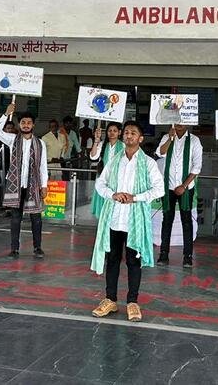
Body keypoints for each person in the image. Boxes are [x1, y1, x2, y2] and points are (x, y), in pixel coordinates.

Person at [91, 121, 165, 323]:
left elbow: (159, 189)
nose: (128, 135)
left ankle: (132, 302)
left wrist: (136, 198)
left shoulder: (148, 163)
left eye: (133, 133)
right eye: (126, 133)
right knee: (112, 259)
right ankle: (110, 299)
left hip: (135, 220)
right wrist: (113, 194)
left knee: (133, 261)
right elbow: (100, 184)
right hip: (114, 218)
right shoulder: (115, 160)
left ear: (140, 138)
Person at [0, 103, 49, 259]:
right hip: (16, 184)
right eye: (23, 122)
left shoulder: (40, 143)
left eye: (29, 122)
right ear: (19, 125)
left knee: (36, 218)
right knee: (16, 218)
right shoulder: (12, 139)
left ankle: (37, 247)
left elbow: (43, 166)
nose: (26, 125)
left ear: (33, 125)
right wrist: (6, 114)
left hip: (34, 185)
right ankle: (14, 249)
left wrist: (44, 186)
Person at [155, 123, 203, 267]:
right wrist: (170, 139)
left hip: (186, 187)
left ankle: (187, 256)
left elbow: (197, 166)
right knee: (167, 220)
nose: (179, 124)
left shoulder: (194, 140)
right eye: (177, 121)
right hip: (168, 186)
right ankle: (164, 254)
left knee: (186, 221)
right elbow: (160, 153)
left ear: (188, 123)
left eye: (182, 121)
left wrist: (184, 185)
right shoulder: (166, 137)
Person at [89, 122, 125, 217]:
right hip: (103, 178)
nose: (112, 133)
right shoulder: (102, 144)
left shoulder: (123, 146)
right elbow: (93, 156)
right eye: (110, 131)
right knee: (103, 204)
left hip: (118, 180)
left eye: (115, 131)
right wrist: (96, 141)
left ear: (119, 132)